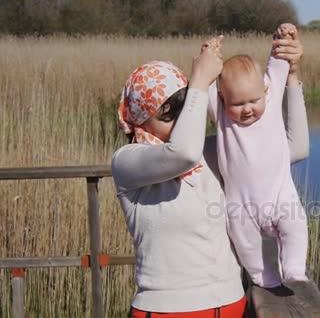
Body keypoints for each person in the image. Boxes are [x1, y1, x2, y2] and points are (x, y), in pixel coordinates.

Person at [111, 30, 308, 317]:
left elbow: (297, 147)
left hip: (233, 305)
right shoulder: (128, 162)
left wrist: (291, 76)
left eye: (185, 107)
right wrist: (201, 82)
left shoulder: (213, 151)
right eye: (167, 115)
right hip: (167, 312)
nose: (180, 120)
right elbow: (182, 154)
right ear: (141, 119)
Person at [207, 24, 308, 288]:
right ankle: (263, 276)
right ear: (223, 100)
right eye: (238, 104)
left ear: (264, 92)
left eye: (253, 100)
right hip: (241, 204)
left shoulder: (271, 97)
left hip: (280, 194)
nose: (247, 109)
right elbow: (203, 85)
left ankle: (295, 269)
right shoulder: (221, 117)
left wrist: (282, 37)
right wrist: (210, 58)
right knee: (245, 242)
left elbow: (279, 64)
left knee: (295, 225)